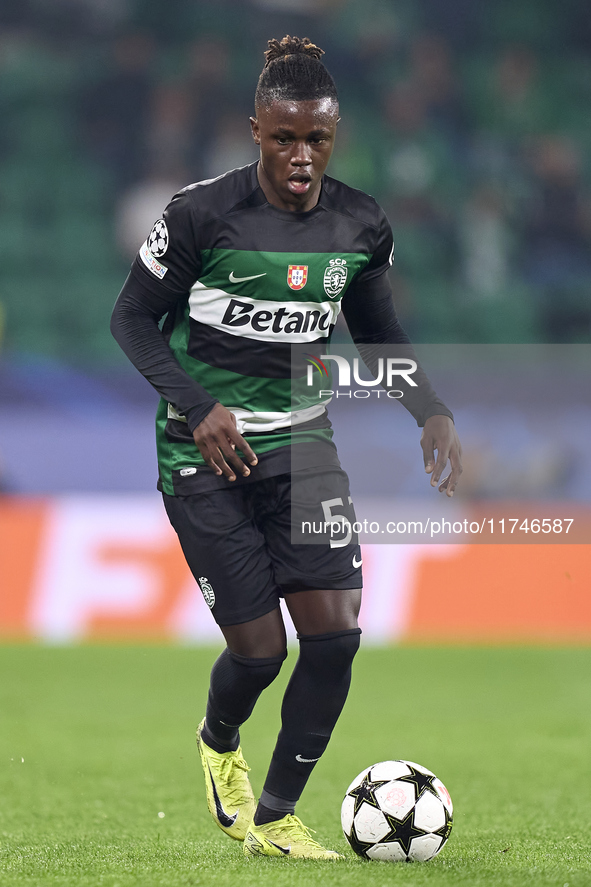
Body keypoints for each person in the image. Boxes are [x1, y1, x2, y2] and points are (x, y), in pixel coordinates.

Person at [111, 35, 462, 860]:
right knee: (260, 649)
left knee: (335, 634)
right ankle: (217, 739)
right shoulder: (200, 213)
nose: (300, 156)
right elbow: (129, 319)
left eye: (317, 139)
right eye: (283, 138)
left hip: (303, 444)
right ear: (255, 131)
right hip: (205, 456)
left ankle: (275, 815)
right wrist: (198, 408)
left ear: (333, 135)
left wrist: (429, 408)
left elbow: (376, 331)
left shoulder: (359, 223)